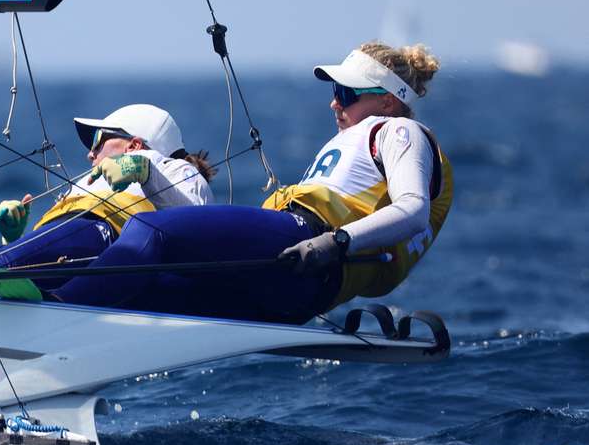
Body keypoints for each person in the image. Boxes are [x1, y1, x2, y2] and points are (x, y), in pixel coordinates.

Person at [51, 42, 453, 323]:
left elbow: (413, 210)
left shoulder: (399, 131)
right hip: (294, 277)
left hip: (312, 250)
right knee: (153, 285)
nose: (334, 102)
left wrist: (335, 242)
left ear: (387, 100)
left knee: (150, 230)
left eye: (346, 92)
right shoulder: (360, 135)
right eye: (335, 91)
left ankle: (54, 311)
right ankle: (38, 315)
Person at [0, 104, 216, 294]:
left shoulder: (170, 168)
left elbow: (195, 228)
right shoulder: (91, 179)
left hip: (101, 237)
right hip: (68, 239)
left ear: (133, 145)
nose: (90, 153)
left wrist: (145, 172)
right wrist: (12, 236)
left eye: (100, 140)